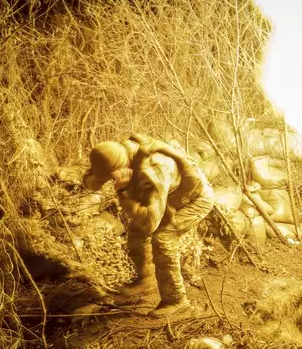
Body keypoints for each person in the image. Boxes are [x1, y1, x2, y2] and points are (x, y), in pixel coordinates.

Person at [82, 134, 214, 317]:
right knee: (137, 229)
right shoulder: (121, 151)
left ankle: (176, 301)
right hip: (170, 194)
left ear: (119, 169)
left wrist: (124, 192)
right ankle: (146, 280)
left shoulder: (152, 170)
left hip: (194, 200)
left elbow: (151, 222)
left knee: (163, 237)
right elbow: (91, 181)